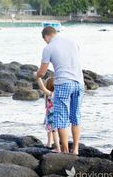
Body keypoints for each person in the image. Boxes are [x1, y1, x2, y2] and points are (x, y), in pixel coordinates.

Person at [35, 26, 84, 155]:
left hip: (63, 83)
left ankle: (65, 150)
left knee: (61, 118)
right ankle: (76, 149)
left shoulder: (48, 47)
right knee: (76, 116)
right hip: (79, 82)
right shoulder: (72, 42)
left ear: (46, 37)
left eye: (45, 40)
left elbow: (42, 71)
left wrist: (37, 75)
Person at [35, 74, 61, 152]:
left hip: (52, 116)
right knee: (49, 130)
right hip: (52, 115)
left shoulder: (51, 94)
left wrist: (38, 77)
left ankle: (58, 148)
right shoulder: (58, 93)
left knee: (53, 131)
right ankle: (49, 143)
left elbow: (42, 88)